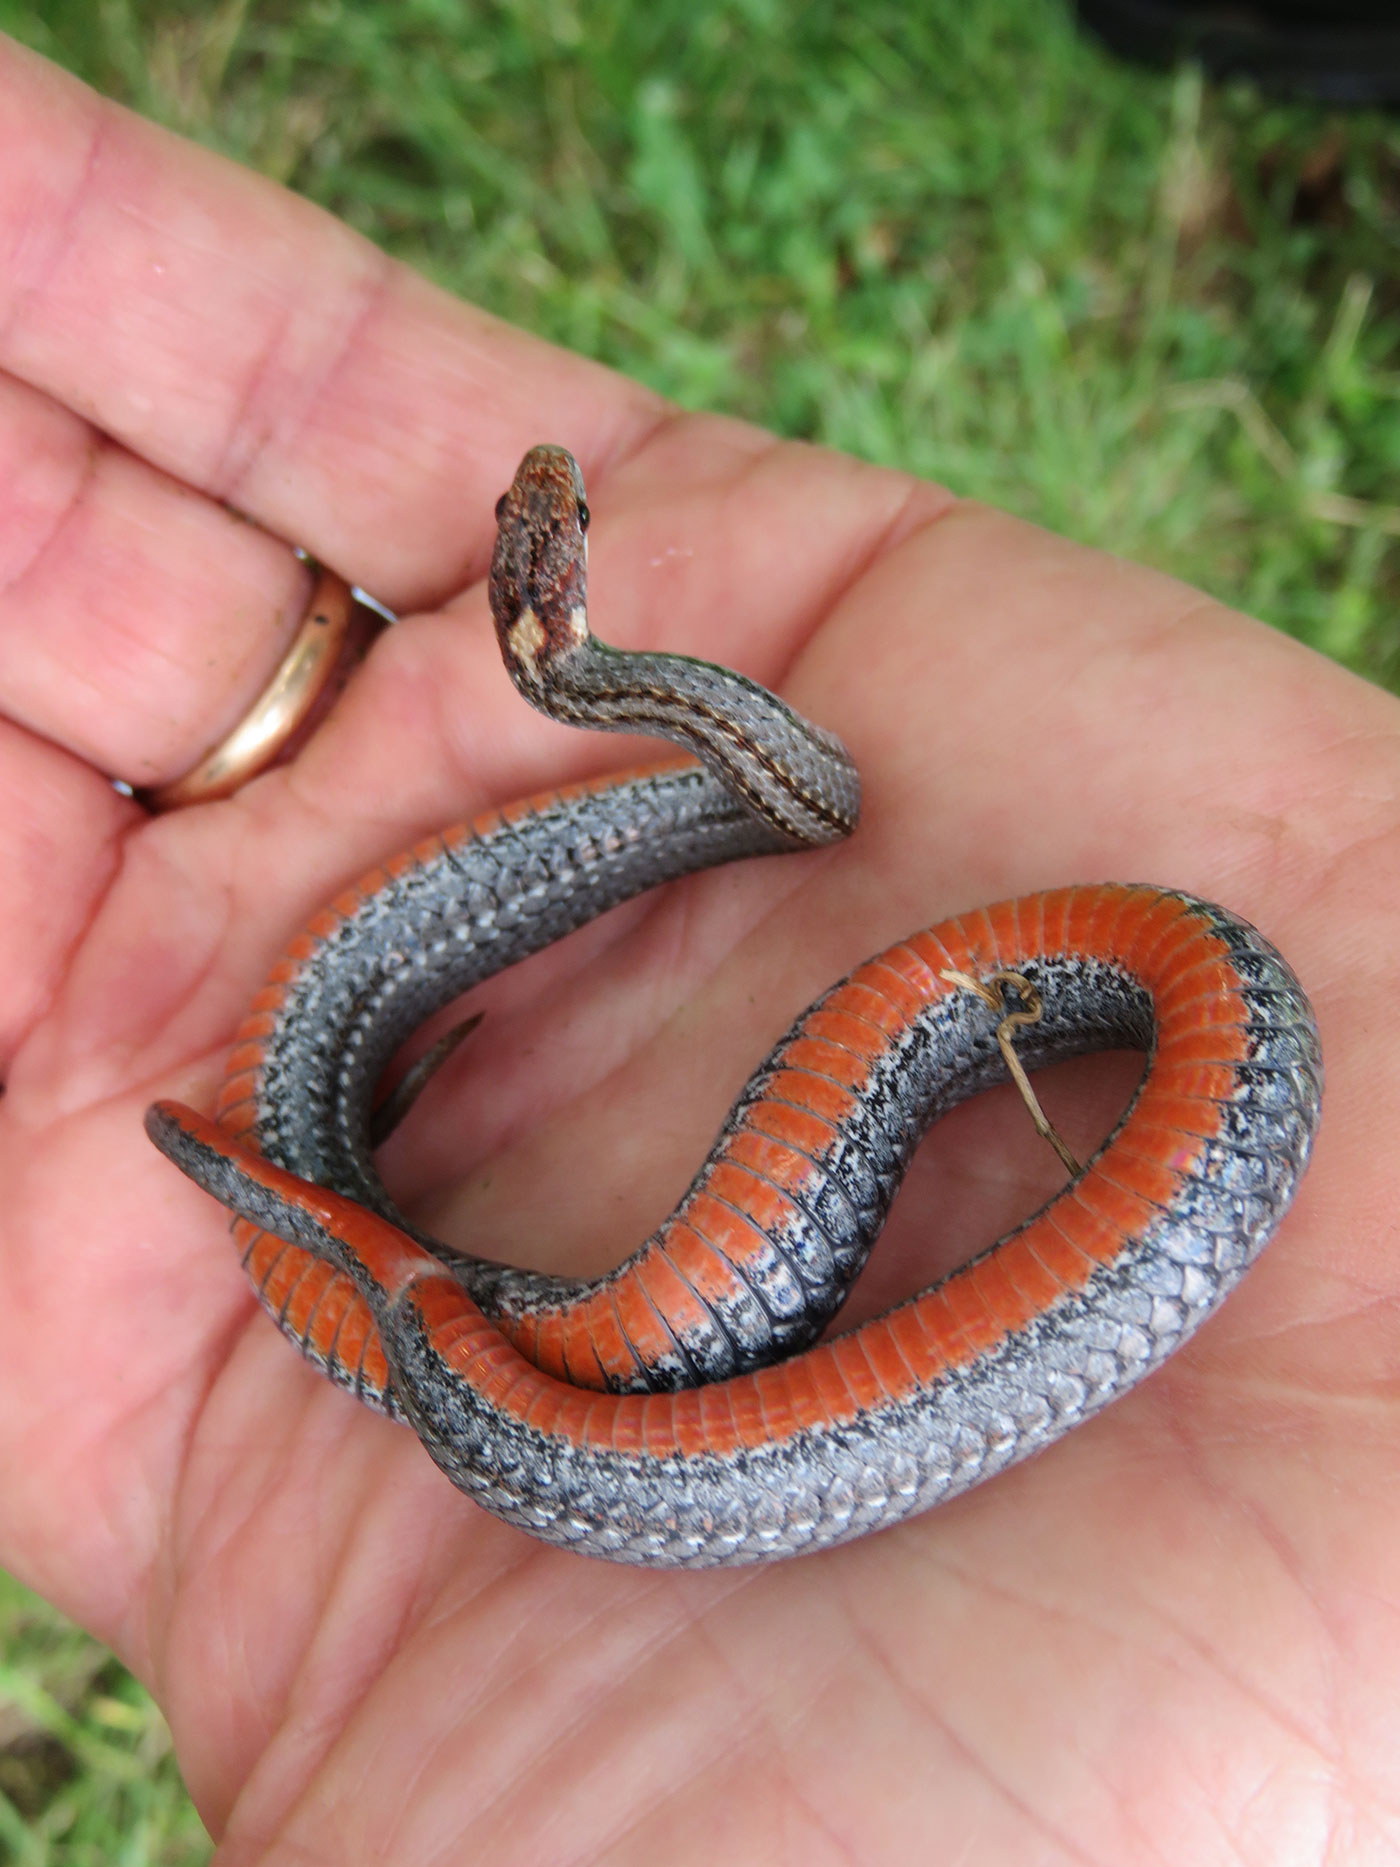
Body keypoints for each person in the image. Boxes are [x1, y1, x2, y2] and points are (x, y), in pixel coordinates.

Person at [0, 33, 1394, 1865]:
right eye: (550, 536)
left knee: (783, 820)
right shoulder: (639, 707)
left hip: (1070, 1089)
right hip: (562, 1311)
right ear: (553, 596)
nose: (552, 514)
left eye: (546, 532)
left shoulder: (679, 721)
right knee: (762, 842)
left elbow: (806, 808)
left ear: (549, 597)